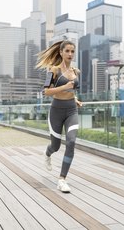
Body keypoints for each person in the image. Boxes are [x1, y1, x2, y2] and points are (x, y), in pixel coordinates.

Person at [36, 40, 82, 193]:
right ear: (61, 52)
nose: (70, 54)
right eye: (67, 51)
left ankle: (62, 179)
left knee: (71, 141)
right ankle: (47, 153)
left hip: (71, 110)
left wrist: (75, 99)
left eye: (72, 51)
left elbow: (72, 91)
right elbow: (46, 92)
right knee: (55, 146)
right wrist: (65, 86)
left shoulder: (77, 72)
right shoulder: (53, 70)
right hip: (56, 111)